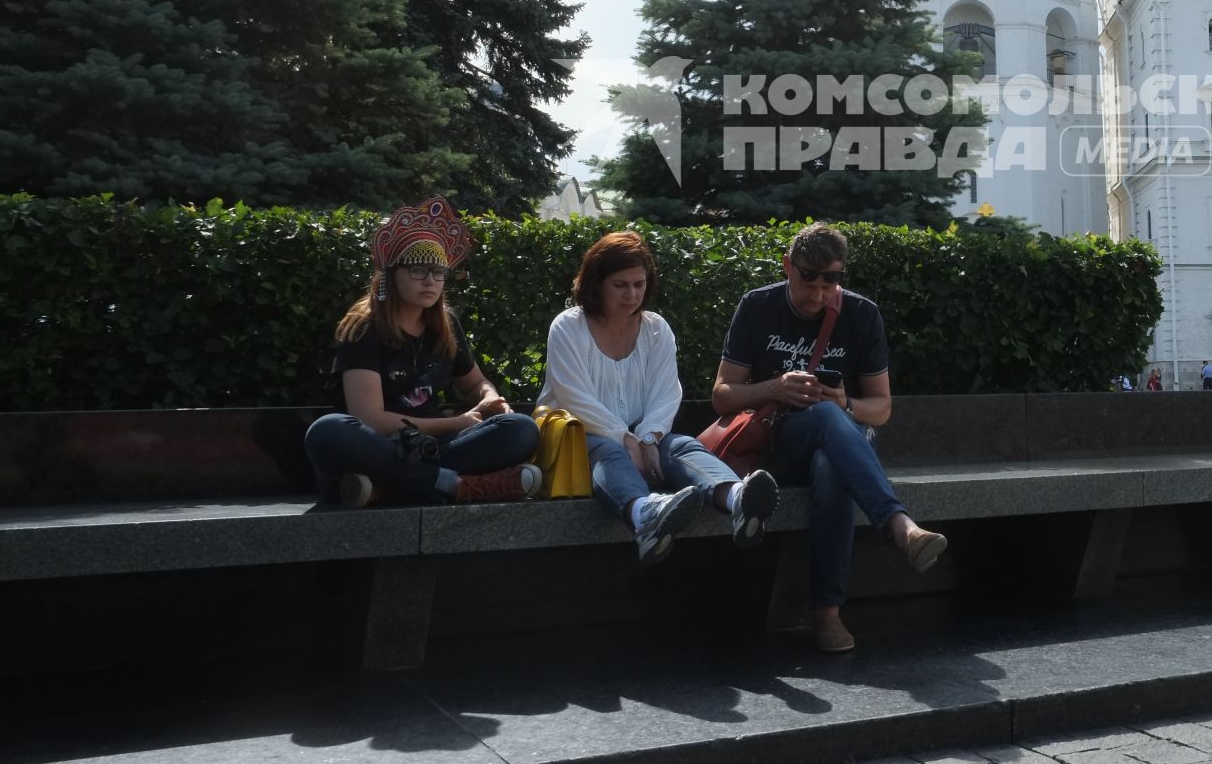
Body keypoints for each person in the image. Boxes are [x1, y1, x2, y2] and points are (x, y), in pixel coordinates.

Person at [713, 224, 945, 654]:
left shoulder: (860, 314)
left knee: (829, 462)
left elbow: (882, 408)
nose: (818, 294)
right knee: (821, 418)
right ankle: (899, 526)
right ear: (788, 267)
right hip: (776, 445)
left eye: (831, 281)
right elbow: (722, 395)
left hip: (841, 444)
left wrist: (846, 405)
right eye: (808, 279)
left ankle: (827, 616)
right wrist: (775, 388)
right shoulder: (758, 306)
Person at [539, 231, 778, 565]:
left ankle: (738, 497)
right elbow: (572, 396)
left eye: (639, 284)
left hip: (641, 434)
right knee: (607, 450)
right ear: (596, 284)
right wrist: (625, 438)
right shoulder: (568, 327)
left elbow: (667, 391)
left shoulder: (656, 329)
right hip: (582, 436)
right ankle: (644, 515)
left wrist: (649, 436)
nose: (632, 294)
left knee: (680, 445)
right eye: (620, 285)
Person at [305, 198, 541, 506]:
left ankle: (386, 488)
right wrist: (457, 422)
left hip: (433, 447)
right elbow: (371, 419)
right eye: (418, 269)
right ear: (391, 274)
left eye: (438, 271)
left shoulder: (446, 324)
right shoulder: (365, 327)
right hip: (378, 447)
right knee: (328, 430)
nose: (430, 280)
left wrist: (488, 398)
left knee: (521, 429)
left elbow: (473, 382)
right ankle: (454, 486)